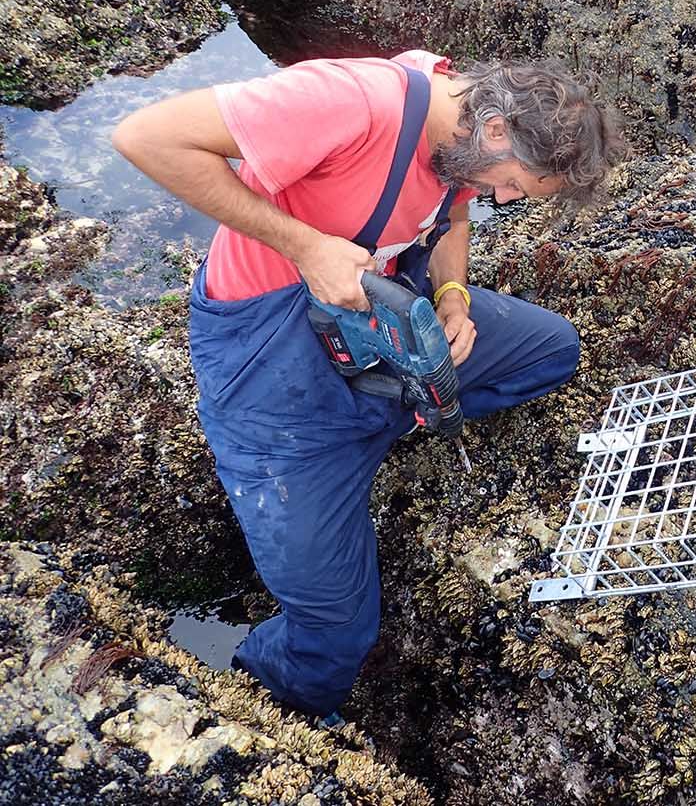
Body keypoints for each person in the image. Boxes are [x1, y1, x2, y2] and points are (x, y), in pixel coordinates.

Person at [113, 50, 624, 722]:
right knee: (336, 631)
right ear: (497, 129)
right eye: (515, 186)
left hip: (369, 320)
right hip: (269, 369)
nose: (504, 200)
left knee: (551, 350)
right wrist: (306, 246)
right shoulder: (353, 102)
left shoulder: (463, 138)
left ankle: (383, 419)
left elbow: (454, 212)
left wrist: (452, 298)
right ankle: (266, 699)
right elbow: (146, 136)